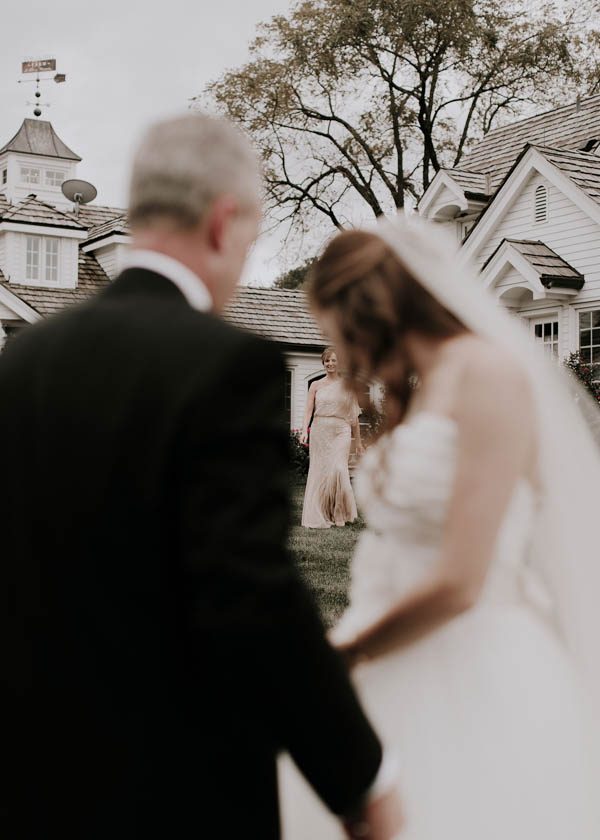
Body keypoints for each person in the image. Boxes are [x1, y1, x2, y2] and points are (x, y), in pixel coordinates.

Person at [0, 114, 402, 840]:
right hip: (175, 787)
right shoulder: (225, 365)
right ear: (224, 222)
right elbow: (250, 598)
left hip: (31, 779)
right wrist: (360, 780)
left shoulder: (22, 364)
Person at [280, 217, 600, 839]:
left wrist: (345, 653)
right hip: (390, 638)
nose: (341, 349)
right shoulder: (419, 389)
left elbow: (463, 579)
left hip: (471, 654)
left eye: (339, 329)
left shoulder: (486, 373)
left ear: (372, 309)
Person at [301, 347, 363, 528]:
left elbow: (354, 417)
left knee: (339, 469)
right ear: (323, 363)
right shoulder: (315, 385)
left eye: (334, 360)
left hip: (341, 431)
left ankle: (339, 512)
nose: (330, 364)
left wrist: (358, 442)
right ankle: (322, 511)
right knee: (321, 472)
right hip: (320, 430)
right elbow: (308, 411)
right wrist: (305, 430)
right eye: (327, 361)